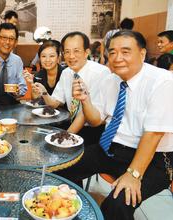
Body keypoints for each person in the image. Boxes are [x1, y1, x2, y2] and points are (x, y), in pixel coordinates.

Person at [59, 30, 173, 220]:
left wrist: (134, 174)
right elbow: (96, 120)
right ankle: (71, 210)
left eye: (125, 51)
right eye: (112, 52)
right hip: (111, 149)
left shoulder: (163, 81)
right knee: (63, 167)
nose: (117, 58)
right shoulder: (110, 80)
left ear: (142, 54)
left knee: (117, 205)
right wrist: (86, 100)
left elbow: (153, 135)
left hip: (153, 158)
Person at [33, 32, 111, 145]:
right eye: (67, 52)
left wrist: (64, 136)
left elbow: (84, 114)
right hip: (72, 123)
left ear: (86, 52)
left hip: (93, 130)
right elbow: (55, 102)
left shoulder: (100, 73)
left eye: (76, 51)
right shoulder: (67, 73)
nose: (71, 56)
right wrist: (44, 92)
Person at [0, 23, 27, 110]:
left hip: (11, 102)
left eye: (11, 39)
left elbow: (23, 87)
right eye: (4, 38)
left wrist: (18, 92)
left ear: (16, 42)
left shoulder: (17, 60)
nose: (7, 42)